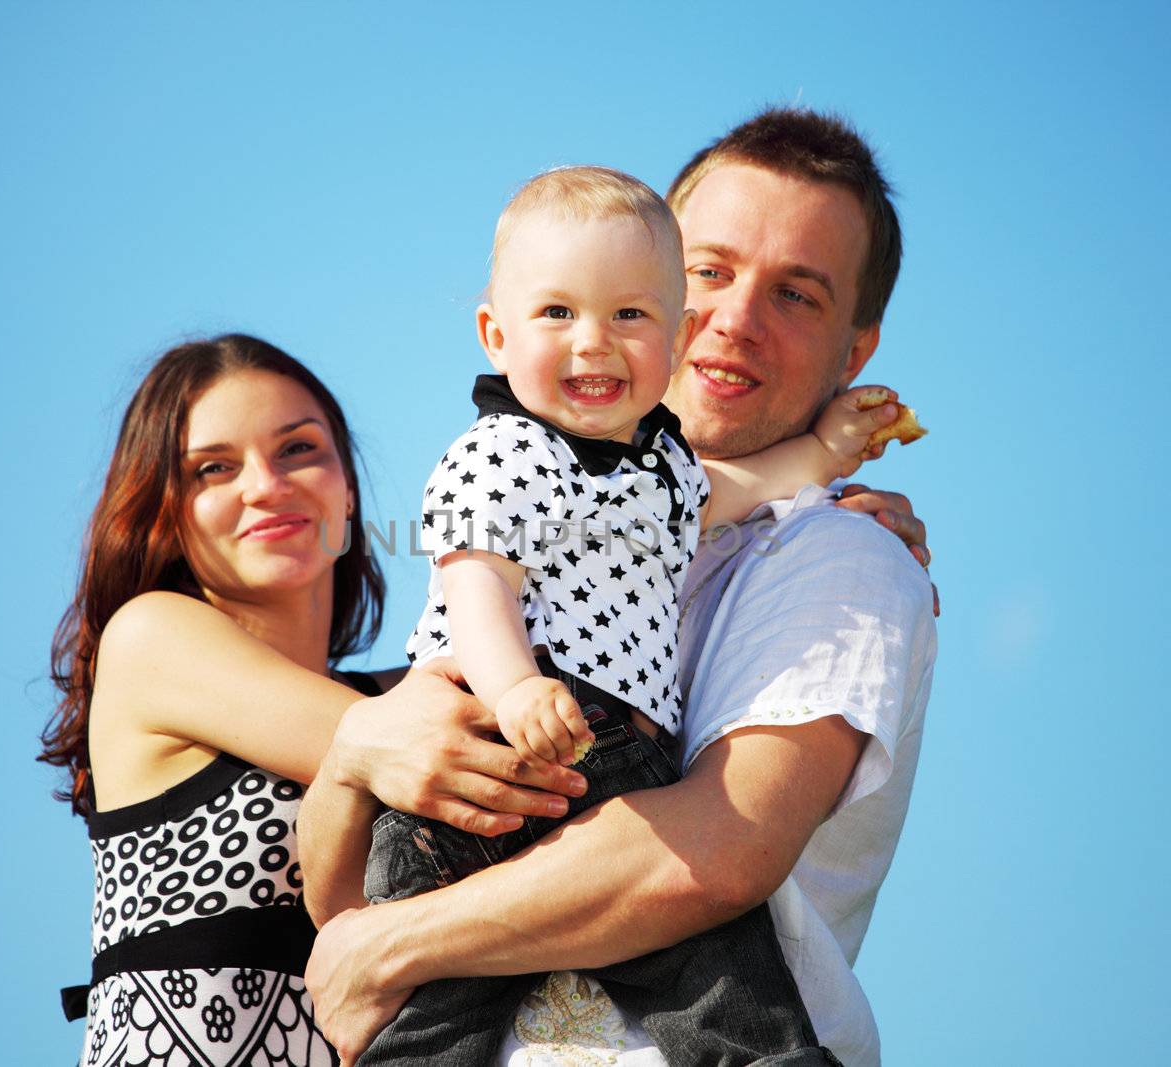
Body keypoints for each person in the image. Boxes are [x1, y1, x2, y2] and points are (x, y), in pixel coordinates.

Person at [299, 107, 937, 1067]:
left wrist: (390, 944)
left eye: (797, 295)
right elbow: (336, 883)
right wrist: (359, 749)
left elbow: (716, 851)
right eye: (712, 271)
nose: (735, 320)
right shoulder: (539, 475)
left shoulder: (838, 554)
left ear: (854, 352)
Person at [39, 335, 583, 1066]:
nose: (266, 485)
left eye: (298, 450)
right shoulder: (148, 639)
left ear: (347, 488)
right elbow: (475, 745)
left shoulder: (401, 695)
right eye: (213, 468)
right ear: (164, 511)